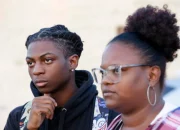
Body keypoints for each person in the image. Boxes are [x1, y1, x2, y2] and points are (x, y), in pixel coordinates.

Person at [4, 25, 113, 130]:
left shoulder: (110, 116)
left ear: (72, 62)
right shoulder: (19, 118)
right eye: (30, 63)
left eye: (47, 60)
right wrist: (31, 128)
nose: (36, 70)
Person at [92, 5, 180, 130]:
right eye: (103, 72)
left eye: (116, 70)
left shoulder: (174, 126)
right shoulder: (107, 126)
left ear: (152, 75)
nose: (105, 80)